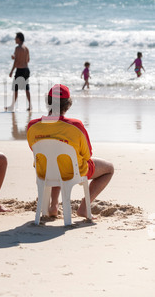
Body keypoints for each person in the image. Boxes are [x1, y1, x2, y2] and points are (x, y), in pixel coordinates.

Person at [27, 84, 114, 219]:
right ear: (68, 105)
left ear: (48, 102)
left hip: (44, 171)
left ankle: (54, 205)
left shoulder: (33, 125)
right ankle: (84, 207)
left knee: (55, 160)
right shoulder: (75, 126)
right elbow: (87, 155)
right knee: (109, 168)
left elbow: (34, 149)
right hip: (71, 172)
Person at [5, 32, 31, 111]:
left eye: (16, 38)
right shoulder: (26, 48)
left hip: (20, 70)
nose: (15, 39)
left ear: (19, 39)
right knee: (26, 88)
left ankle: (12, 106)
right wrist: (18, 58)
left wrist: (11, 71)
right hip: (26, 69)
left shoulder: (17, 48)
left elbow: (16, 61)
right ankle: (30, 106)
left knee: (15, 88)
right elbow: (28, 60)